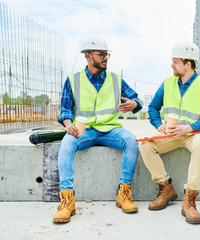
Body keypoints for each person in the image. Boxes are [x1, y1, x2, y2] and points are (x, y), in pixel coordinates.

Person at [53, 36, 142, 223]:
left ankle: (124, 194)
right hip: (84, 131)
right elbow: (66, 109)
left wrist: (133, 104)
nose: (105, 58)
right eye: (101, 54)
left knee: (131, 141)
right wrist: (69, 125)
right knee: (67, 143)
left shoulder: (116, 80)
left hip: (110, 129)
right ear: (87, 56)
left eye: (106, 54)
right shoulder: (73, 80)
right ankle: (67, 201)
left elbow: (136, 100)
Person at [139, 41, 200, 224]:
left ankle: (189, 199)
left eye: (175, 62)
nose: (171, 65)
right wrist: (159, 125)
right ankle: (166, 188)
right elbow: (153, 108)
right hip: (171, 135)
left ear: (187, 64)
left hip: (193, 134)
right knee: (146, 145)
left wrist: (190, 128)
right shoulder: (167, 83)